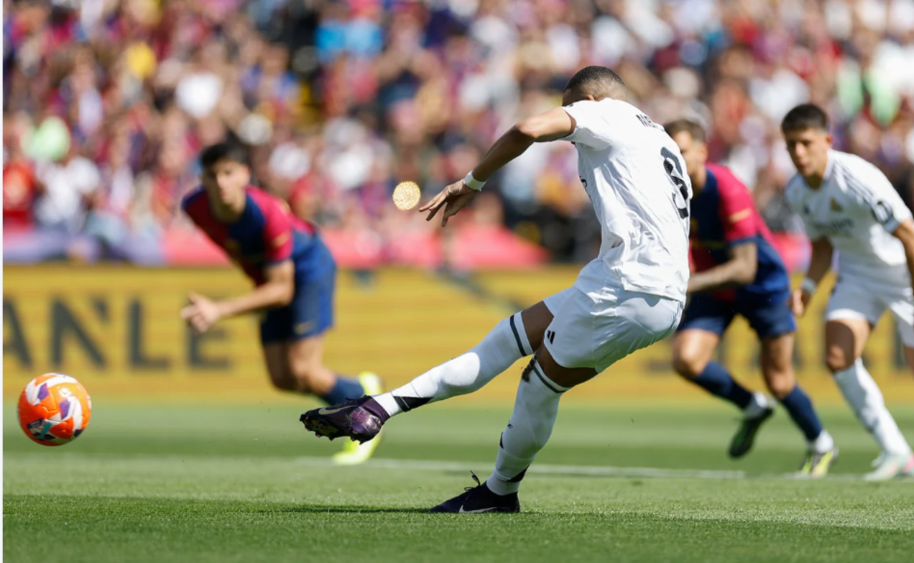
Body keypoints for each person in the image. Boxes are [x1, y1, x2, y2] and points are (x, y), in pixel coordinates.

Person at [301, 66, 691, 512]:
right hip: (637, 281)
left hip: (629, 283)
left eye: (571, 109)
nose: (570, 122)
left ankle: (500, 492)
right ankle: (377, 408)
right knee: (509, 337)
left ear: (591, 100)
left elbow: (526, 128)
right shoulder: (658, 135)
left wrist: (471, 182)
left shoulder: (606, 115)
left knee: (538, 384)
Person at [781, 104, 914, 481]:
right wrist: (808, 288)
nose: (799, 153)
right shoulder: (797, 191)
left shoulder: (857, 177)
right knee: (837, 356)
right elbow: (823, 246)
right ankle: (896, 451)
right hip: (858, 277)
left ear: (827, 141)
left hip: (907, 276)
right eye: (791, 145)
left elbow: (911, 235)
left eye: (806, 143)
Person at [181, 142, 382, 466]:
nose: (221, 182)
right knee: (282, 378)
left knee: (304, 369)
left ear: (245, 175)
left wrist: (219, 309)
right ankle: (358, 389)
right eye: (212, 174)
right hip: (269, 279)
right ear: (201, 179)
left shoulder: (267, 212)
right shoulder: (194, 207)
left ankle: (364, 412)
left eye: (228, 173)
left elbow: (282, 289)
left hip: (307, 270)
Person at [665, 119, 837, 477]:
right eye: (667, 153)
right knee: (686, 360)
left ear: (701, 151)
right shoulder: (665, 190)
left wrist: (685, 285)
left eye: (680, 152)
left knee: (779, 380)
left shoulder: (727, 188)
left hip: (763, 285)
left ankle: (821, 442)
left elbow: (744, 268)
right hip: (715, 288)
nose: (673, 161)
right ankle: (751, 406)